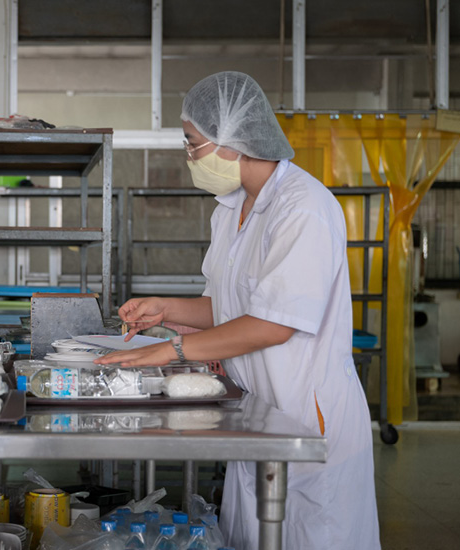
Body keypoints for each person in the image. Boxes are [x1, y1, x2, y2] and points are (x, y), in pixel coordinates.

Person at [95, 72, 380, 549]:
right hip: (256, 409)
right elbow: (228, 305)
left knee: (309, 536)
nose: (189, 155)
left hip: (306, 412)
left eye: (193, 143)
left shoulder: (303, 207)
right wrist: (165, 308)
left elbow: (274, 323)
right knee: (253, 535)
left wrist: (172, 350)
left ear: (232, 141)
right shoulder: (229, 208)